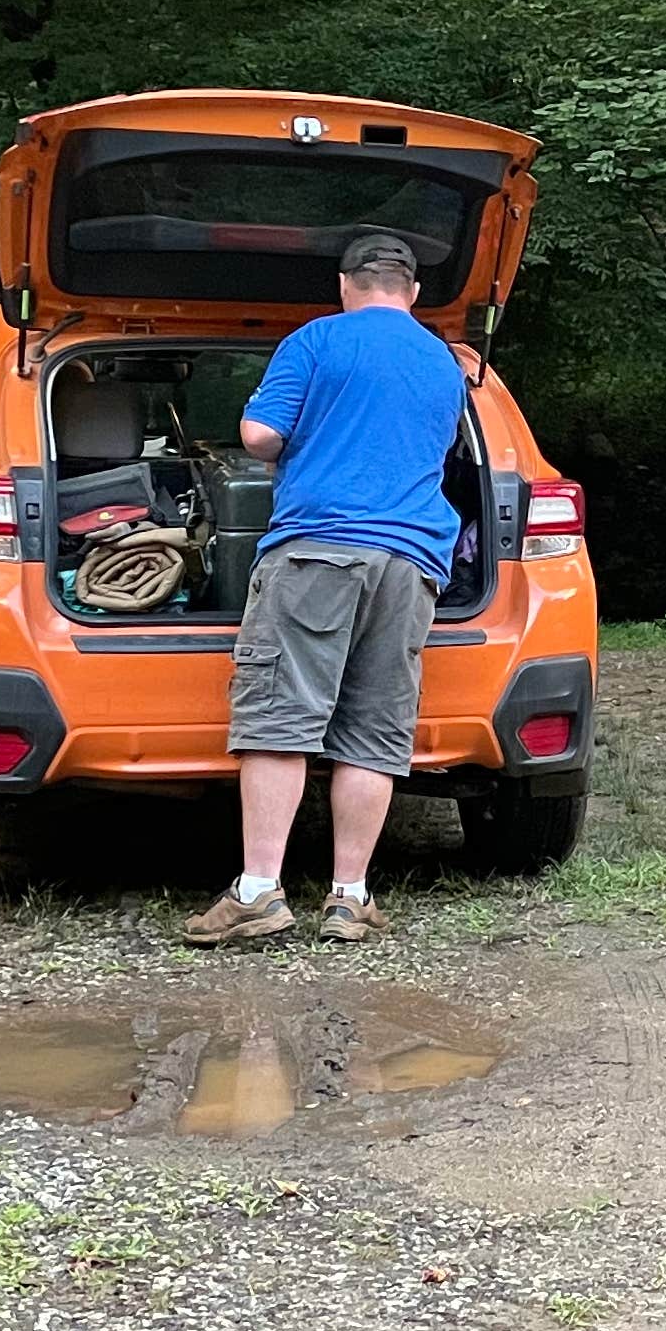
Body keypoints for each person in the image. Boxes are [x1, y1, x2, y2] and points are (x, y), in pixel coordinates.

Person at [182, 227, 468, 945]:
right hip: (410, 564)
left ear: (345, 286)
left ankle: (257, 892)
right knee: (374, 729)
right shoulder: (445, 363)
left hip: (318, 553)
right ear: (414, 292)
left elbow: (258, 438)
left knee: (281, 718)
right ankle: (349, 898)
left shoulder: (317, 340)